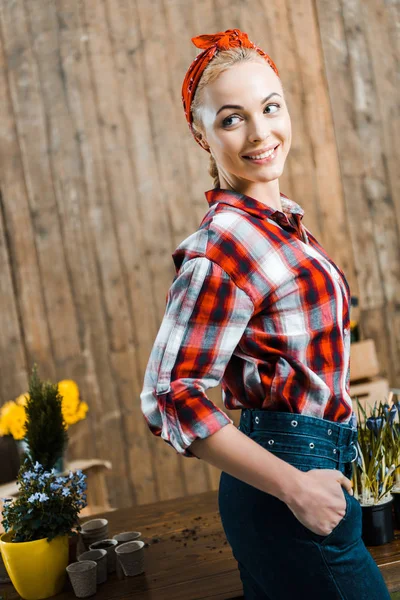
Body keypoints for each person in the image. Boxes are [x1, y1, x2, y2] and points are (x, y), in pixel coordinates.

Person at [140, 28, 391, 600]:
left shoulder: (278, 226)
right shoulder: (223, 245)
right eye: (231, 119)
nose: (260, 133)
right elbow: (168, 394)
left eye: (270, 107)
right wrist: (294, 487)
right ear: (202, 136)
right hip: (287, 486)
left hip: (308, 473)